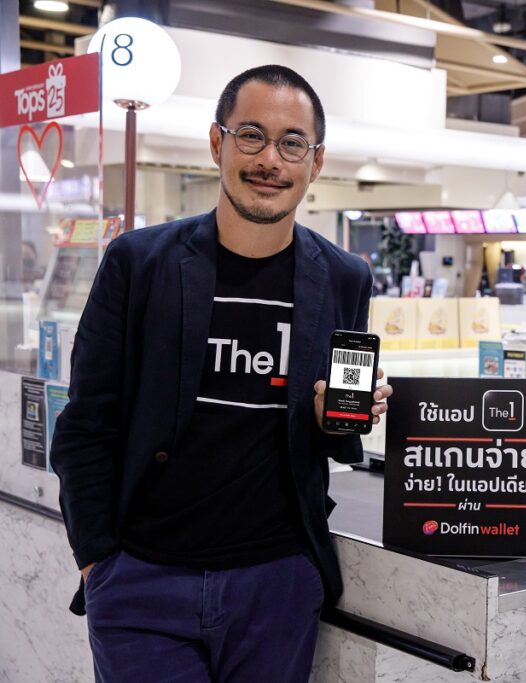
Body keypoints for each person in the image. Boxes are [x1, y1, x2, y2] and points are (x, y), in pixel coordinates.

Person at [49, 65, 393, 683]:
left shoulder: (345, 277)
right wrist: (97, 560)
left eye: (292, 143)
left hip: (277, 583)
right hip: (143, 579)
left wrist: (332, 419)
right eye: (251, 135)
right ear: (218, 143)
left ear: (315, 162)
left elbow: (332, 440)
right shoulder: (139, 263)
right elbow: (86, 423)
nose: (270, 160)